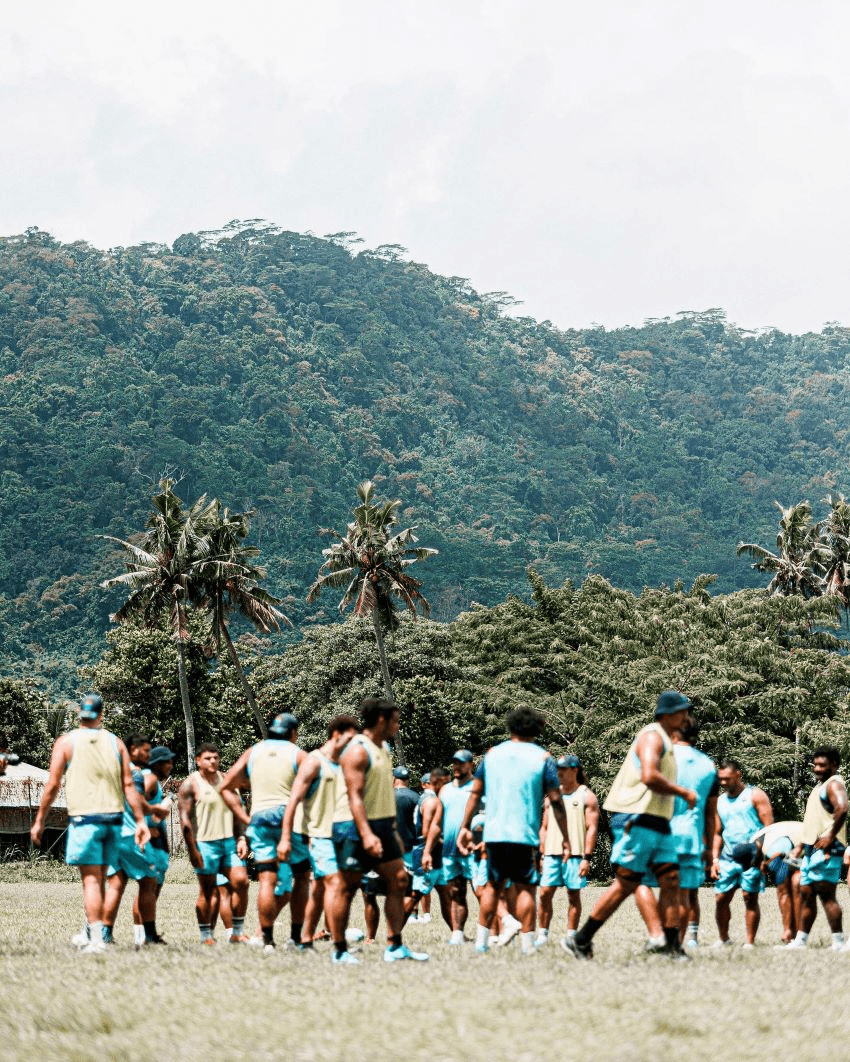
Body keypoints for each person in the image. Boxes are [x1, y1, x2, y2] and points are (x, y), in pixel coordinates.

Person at [562, 690, 697, 961]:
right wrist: (683, 792)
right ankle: (581, 939)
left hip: (657, 819)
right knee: (626, 882)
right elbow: (649, 775)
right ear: (668, 714)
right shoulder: (652, 736)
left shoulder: (666, 739)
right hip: (636, 817)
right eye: (683, 711)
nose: (687, 717)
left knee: (671, 879)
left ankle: (672, 948)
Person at [30, 694, 151, 953]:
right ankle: (90, 933)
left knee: (91, 882)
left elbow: (52, 785)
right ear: (101, 715)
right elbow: (129, 785)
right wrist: (141, 821)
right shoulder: (116, 742)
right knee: (101, 878)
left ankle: (96, 940)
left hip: (86, 820)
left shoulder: (66, 742)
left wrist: (40, 819)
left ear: (79, 714)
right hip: (114, 822)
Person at [458, 705, 569, 956]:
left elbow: (475, 794)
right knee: (526, 888)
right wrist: (565, 837)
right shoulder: (543, 758)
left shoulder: (491, 755)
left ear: (511, 727)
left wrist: (464, 827)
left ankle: (481, 943)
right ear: (537, 730)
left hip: (494, 834)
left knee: (492, 886)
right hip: (524, 835)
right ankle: (527, 945)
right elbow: (556, 801)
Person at [325, 695, 428, 964]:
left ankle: (394, 947)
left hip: (383, 825)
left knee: (400, 880)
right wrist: (367, 834)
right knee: (346, 888)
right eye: (395, 721)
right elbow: (354, 797)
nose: (398, 726)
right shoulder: (357, 750)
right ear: (381, 720)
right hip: (353, 826)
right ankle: (339, 951)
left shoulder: (383, 748)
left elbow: (383, 793)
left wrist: (392, 829)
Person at [221, 713, 308, 951]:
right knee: (302, 877)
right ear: (293, 733)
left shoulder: (253, 751)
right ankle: (295, 938)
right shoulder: (298, 754)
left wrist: (245, 818)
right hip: (289, 820)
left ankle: (267, 940)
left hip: (260, 820)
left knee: (266, 881)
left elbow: (226, 786)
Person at [277, 714, 360, 947]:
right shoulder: (314, 762)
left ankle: (304, 938)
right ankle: (339, 946)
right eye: (350, 739)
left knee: (320, 889)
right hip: (317, 836)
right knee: (335, 884)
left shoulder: (344, 764)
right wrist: (286, 838)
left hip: (340, 835)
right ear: (336, 735)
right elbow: (293, 801)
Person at [101, 735, 171, 947]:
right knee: (149, 882)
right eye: (145, 751)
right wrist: (155, 810)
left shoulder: (113, 772)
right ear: (132, 749)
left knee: (116, 885)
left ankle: (104, 934)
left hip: (112, 833)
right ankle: (148, 936)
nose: (149, 755)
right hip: (130, 834)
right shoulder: (136, 773)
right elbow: (137, 801)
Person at [178, 743, 249, 945]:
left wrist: (241, 838)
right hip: (205, 845)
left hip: (229, 843)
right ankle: (206, 935)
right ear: (198, 760)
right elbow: (185, 821)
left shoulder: (226, 780)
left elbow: (237, 811)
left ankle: (237, 932)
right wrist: (192, 850)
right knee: (208, 892)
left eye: (216, 757)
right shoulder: (190, 784)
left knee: (241, 882)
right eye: (208, 758)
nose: (213, 761)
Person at [781, 747, 847, 950]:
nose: (817, 768)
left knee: (827, 896)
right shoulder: (820, 786)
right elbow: (814, 822)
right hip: (812, 850)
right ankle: (801, 941)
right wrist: (800, 846)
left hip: (827, 850)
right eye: (815, 764)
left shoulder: (834, 784)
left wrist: (830, 836)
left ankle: (838, 942)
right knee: (807, 895)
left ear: (834, 765)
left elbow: (843, 808)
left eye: (822, 765)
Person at [537, 754, 599, 947]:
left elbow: (592, 829)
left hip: (575, 855)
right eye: (557, 769)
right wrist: (541, 854)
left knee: (573, 895)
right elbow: (544, 828)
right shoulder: (551, 797)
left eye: (563, 769)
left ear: (575, 770)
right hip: (551, 854)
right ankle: (542, 936)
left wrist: (586, 858)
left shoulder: (587, 796)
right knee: (544, 894)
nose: (559, 773)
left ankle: (571, 936)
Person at [711, 760, 773, 948]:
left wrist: (763, 856)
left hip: (752, 857)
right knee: (721, 898)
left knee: (750, 898)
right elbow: (717, 833)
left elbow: (769, 828)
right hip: (728, 857)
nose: (723, 782)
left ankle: (749, 943)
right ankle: (724, 939)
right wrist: (715, 859)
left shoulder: (755, 795)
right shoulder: (720, 801)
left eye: (727, 779)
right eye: (721, 779)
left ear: (738, 775)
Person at [440, 749, 476, 944]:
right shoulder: (445, 790)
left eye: (461, 763)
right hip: (450, 850)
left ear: (471, 765)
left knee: (483, 892)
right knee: (456, 892)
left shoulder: (478, 787)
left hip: (474, 850)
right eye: (454, 762)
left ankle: (495, 933)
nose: (456, 766)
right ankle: (457, 934)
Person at [406, 766, 449, 925]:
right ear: (425, 784)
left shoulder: (422, 798)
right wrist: (439, 844)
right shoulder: (430, 800)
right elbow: (427, 830)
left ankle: (457, 932)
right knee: (419, 889)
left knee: (444, 891)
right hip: (426, 848)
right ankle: (400, 924)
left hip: (426, 848)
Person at [749, 820, 803, 943]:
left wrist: (766, 864)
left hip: (806, 848)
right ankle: (790, 931)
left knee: (790, 888)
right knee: (783, 890)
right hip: (788, 853)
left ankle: (795, 933)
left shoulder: (771, 844)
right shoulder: (756, 841)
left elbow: (780, 851)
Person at [393, 765, 419, 877]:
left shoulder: (386, 797)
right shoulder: (416, 797)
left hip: (391, 846)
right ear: (407, 780)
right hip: (411, 845)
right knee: (412, 879)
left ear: (394, 779)